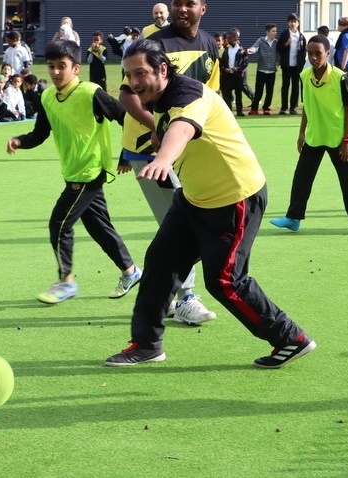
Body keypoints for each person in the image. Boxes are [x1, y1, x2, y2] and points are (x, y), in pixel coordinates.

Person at [105, 39, 316, 367]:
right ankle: (147, 344)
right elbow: (168, 127)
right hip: (193, 199)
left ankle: (290, 338)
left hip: (235, 199)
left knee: (225, 281)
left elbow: (182, 128)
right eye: (128, 74)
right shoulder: (159, 98)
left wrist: (163, 157)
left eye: (140, 73)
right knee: (160, 261)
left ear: (162, 69)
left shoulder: (190, 94)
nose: (133, 82)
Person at [6, 39, 141, 305]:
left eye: (62, 66)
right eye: (52, 66)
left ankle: (66, 281)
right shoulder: (46, 96)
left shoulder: (92, 93)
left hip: (89, 173)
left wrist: (127, 154)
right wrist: (20, 141)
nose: (56, 72)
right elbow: (40, 134)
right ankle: (131, 271)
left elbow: (127, 118)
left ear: (76, 68)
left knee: (59, 224)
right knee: (99, 227)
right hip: (73, 171)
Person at [117, 0, 219, 325]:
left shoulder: (210, 44)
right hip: (150, 149)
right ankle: (185, 298)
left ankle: (166, 291)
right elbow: (127, 94)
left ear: (203, 7)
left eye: (189, 3)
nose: (181, 9)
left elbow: (207, 97)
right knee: (177, 223)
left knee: (184, 222)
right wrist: (156, 126)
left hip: (184, 147)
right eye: (177, 3)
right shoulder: (156, 43)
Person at [270, 35, 348, 237]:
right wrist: (301, 133)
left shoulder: (340, 77)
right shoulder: (305, 75)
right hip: (314, 136)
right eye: (310, 53)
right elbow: (307, 104)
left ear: (328, 53)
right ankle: (293, 218)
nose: (314, 57)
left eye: (318, 53)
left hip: (339, 137)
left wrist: (347, 139)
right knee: (302, 178)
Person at [276, 13, 306, 115]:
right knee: (285, 86)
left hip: (297, 66)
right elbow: (278, 48)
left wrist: (302, 63)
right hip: (286, 65)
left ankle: (293, 107)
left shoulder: (301, 37)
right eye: (291, 21)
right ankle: (284, 107)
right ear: (288, 23)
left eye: (295, 21)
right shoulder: (284, 34)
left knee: (295, 86)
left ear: (298, 23)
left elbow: (303, 51)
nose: (293, 24)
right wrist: (286, 44)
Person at [247, 23, 278, 115]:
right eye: (273, 31)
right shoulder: (261, 40)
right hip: (261, 70)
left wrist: (279, 61)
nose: (275, 33)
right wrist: (251, 50)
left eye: (276, 31)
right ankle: (254, 108)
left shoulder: (277, 42)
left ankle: (266, 108)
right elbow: (255, 47)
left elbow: (279, 53)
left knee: (269, 91)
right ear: (267, 32)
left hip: (272, 71)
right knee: (259, 91)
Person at [220, 30, 249, 116]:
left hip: (238, 76)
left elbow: (246, 62)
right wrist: (224, 69)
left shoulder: (241, 50)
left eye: (230, 38)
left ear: (236, 39)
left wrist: (238, 68)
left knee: (238, 94)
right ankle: (228, 111)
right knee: (227, 94)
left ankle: (239, 111)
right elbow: (222, 62)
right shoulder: (226, 50)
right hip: (228, 75)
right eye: (227, 38)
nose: (228, 40)